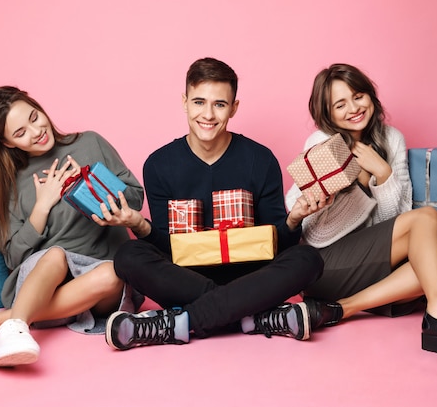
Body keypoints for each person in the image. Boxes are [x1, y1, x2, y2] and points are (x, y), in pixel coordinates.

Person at [93, 57, 329, 350]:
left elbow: (276, 242)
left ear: (234, 108)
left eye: (219, 104)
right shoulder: (158, 164)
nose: (208, 114)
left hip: (252, 274)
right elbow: (167, 248)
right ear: (184, 102)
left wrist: (294, 220)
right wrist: (139, 225)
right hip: (190, 280)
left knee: (308, 259)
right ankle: (251, 316)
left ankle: (176, 324)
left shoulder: (261, 159)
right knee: (128, 255)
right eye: (199, 102)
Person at [285, 63, 437, 362]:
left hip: (374, 270)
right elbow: (315, 234)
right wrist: (351, 187)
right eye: (340, 104)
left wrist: (382, 173)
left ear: (371, 96)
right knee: (427, 217)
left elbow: (396, 219)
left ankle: (343, 308)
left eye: (359, 96)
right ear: (327, 114)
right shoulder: (321, 145)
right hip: (325, 263)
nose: (354, 108)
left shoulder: (390, 138)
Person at [0, 86, 145, 367]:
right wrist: (42, 207)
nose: (36, 131)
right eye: (20, 133)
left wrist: (96, 187)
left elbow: (135, 198)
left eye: (34, 117)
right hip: (46, 280)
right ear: (7, 143)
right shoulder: (10, 181)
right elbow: (12, 255)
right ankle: (16, 327)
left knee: (115, 273)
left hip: (99, 284)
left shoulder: (91, 143)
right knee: (55, 254)